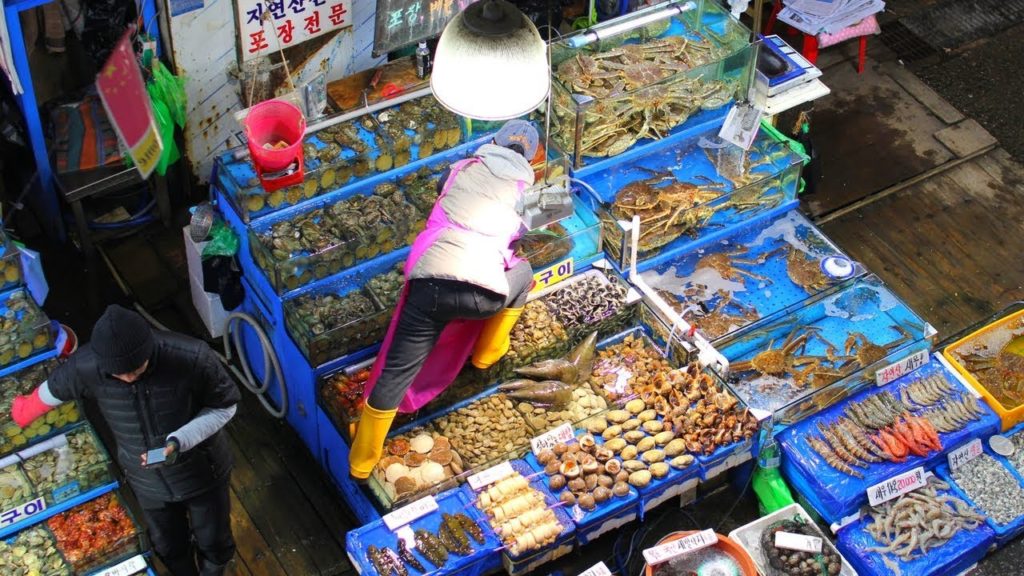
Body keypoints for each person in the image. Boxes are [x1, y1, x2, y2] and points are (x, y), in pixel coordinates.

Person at [349, 120, 539, 481]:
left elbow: (442, 197)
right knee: (524, 273)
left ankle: (361, 461)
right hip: (483, 295)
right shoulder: (528, 193)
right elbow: (526, 231)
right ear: (531, 158)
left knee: (396, 370)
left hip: (429, 284)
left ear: (492, 143)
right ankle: (488, 352)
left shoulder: (458, 169)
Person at [11, 305, 240, 576]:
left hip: (202, 473)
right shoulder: (85, 367)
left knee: (214, 541)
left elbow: (225, 406)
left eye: (137, 368)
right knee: (168, 545)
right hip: (146, 479)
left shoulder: (191, 357)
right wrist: (20, 414)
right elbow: (48, 393)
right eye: (119, 374)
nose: (130, 377)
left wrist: (180, 441)